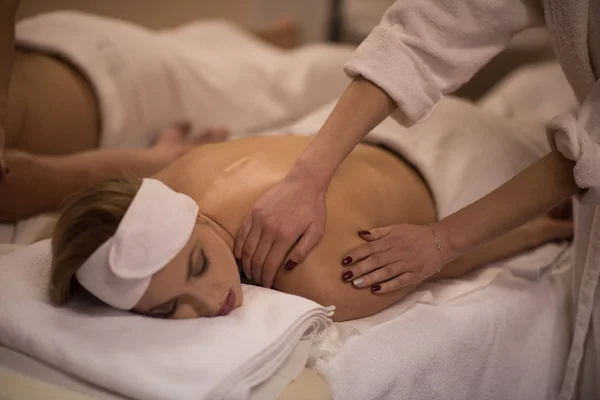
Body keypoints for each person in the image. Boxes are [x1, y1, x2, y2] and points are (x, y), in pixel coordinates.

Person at [236, 1, 599, 399]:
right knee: (529, 92)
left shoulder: (321, 278)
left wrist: (444, 240)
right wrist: (307, 176)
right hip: (401, 135)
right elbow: (432, 26)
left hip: (462, 146)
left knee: (530, 98)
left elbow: (588, 146)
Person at [49, 103, 573, 322]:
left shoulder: (318, 274)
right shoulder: (163, 185)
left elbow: (442, 257)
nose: (210, 304)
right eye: (168, 312)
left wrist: (538, 232)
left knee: (540, 120)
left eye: (200, 266)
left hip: (450, 152)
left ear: (198, 220)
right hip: (339, 125)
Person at [0, 10, 352, 221]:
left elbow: (26, 182)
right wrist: (156, 160)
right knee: (207, 60)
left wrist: (159, 160)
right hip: (76, 53)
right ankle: (261, 39)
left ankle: (263, 41)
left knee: (284, 83)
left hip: (112, 78)